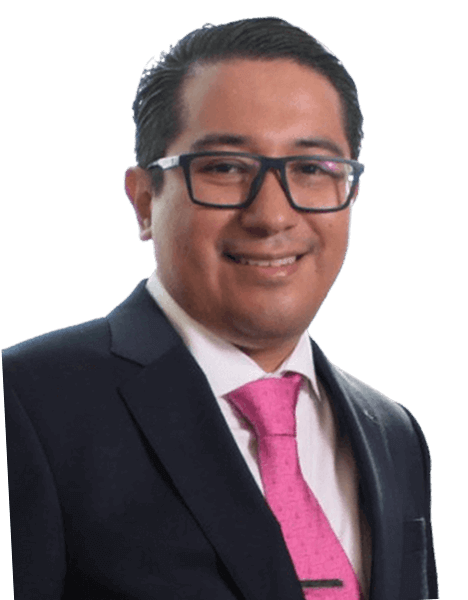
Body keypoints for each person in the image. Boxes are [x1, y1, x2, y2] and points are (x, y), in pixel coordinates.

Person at [3, 16, 438, 600]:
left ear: (351, 194)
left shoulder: (392, 431)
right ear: (144, 201)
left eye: (311, 169)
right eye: (225, 168)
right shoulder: (27, 403)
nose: (272, 216)